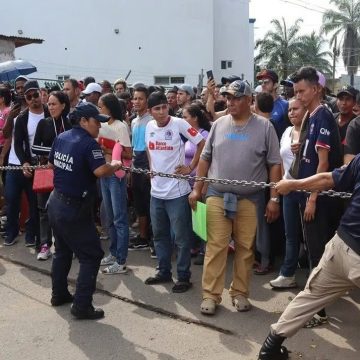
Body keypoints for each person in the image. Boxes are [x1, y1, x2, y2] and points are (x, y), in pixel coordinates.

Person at [189, 80, 281, 315]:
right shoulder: (219, 124)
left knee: (245, 248)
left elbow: (274, 164)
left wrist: (274, 198)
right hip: (217, 194)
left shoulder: (265, 127)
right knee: (216, 246)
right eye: (228, 98)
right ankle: (210, 295)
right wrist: (197, 189)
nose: (230, 102)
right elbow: (205, 159)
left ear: (250, 100)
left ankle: (240, 293)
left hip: (250, 199)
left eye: (236, 98)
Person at [258, 156, 360, 359]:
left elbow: (327, 179)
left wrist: (292, 184)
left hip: (340, 246)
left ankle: (269, 349)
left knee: (309, 298)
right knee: (310, 297)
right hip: (348, 248)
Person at [47, 103, 123, 320]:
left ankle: (59, 294)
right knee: (91, 255)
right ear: (83, 121)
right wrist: (115, 164)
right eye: (95, 121)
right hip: (73, 208)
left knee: (62, 251)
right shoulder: (89, 144)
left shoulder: (62, 137)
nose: (99, 125)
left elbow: (52, 164)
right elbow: (100, 171)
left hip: (56, 203)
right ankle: (82, 306)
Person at [289, 66, 342, 328]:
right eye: (295, 91)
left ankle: (318, 310)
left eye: (302, 90)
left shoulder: (322, 117)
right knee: (314, 251)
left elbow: (323, 165)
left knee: (317, 253)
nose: (297, 95)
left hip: (317, 199)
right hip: (306, 195)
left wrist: (312, 198)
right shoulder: (311, 116)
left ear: (316, 89)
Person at [145, 91, 205, 293]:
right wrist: (151, 166)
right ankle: (163, 271)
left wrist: (190, 168)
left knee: (181, 238)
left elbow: (202, 143)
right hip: (156, 192)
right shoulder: (149, 126)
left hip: (177, 192)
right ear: (150, 111)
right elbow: (149, 149)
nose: (162, 112)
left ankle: (183, 276)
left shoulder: (179, 124)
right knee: (160, 236)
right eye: (157, 108)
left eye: (164, 107)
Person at [4, 80, 49, 247]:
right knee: (11, 198)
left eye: (35, 95)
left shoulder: (49, 113)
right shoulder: (21, 117)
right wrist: (24, 162)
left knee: (35, 203)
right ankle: (11, 233)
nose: (33, 99)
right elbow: (17, 142)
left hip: (42, 166)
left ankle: (33, 236)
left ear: (40, 93)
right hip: (20, 164)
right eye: (28, 97)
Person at [269, 98, 306, 288]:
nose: (291, 113)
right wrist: (282, 183)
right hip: (288, 190)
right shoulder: (285, 132)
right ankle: (287, 273)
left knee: (311, 238)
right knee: (290, 235)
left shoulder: (312, 132)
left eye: (296, 109)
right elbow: (281, 160)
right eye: (289, 109)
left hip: (308, 191)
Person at [32, 91, 71, 260]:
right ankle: (45, 245)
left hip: (66, 173)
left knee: (66, 209)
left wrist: (59, 155)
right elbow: (35, 148)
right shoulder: (44, 123)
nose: (51, 107)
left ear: (63, 105)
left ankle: (67, 244)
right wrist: (55, 153)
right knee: (44, 210)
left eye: (54, 104)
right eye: (49, 104)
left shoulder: (70, 124)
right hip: (46, 171)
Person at [97, 93, 132, 274]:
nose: (99, 109)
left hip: (116, 175)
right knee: (109, 217)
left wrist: (108, 149)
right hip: (104, 172)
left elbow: (128, 154)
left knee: (119, 218)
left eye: (101, 106)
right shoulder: (101, 124)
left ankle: (121, 260)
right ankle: (113, 252)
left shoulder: (121, 126)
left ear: (109, 107)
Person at [182, 103, 211, 265]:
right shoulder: (187, 136)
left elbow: (207, 160)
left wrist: (203, 183)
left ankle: (203, 249)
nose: (183, 120)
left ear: (195, 118)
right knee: (192, 216)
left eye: (186, 117)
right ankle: (193, 246)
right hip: (187, 182)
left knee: (201, 216)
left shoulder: (204, 135)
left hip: (200, 182)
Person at [128, 85, 153, 252]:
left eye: (140, 98)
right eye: (134, 98)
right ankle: (143, 237)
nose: (136, 101)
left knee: (150, 203)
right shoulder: (133, 120)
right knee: (139, 203)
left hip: (148, 162)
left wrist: (151, 168)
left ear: (147, 100)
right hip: (135, 162)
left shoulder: (152, 120)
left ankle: (153, 239)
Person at [256, 69, 290, 139]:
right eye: (261, 82)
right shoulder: (257, 105)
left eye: (266, 82)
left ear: (275, 85)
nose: (262, 85)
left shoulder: (285, 105)